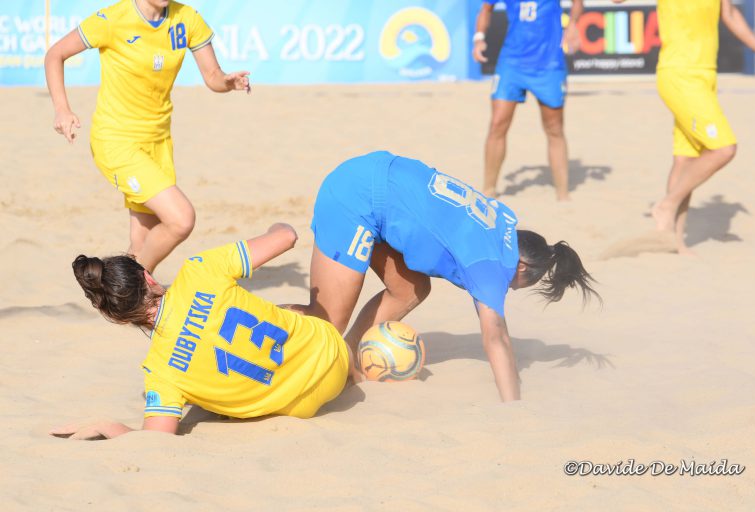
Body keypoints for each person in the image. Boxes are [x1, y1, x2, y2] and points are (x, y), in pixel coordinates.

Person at [290, 151, 599, 402]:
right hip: (357, 196)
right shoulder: (491, 265)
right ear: (520, 267)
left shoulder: (502, 222)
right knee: (324, 324)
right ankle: (265, 330)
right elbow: (497, 338)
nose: (511, 290)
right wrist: (513, 405)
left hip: (379, 178)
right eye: (519, 285)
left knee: (410, 289)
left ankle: (348, 359)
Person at [51, 224, 356, 440]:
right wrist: (274, 227)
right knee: (279, 310)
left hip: (302, 405)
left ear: (118, 319)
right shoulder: (199, 270)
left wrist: (108, 426)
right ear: (149, 279)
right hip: (331, 353)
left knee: (205, 386)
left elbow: (155, 440)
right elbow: (287, 237)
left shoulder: (160, 371)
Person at [44, 0, 251, 273]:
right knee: (181, 219)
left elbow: (213, 75)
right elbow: (55, 54)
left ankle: (124, 291)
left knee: (142, 243)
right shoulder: (112, 19)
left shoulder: (187, 18)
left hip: (159, 141)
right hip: (117, 140)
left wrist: (227, 82)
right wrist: (62, 109)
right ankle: (134, 286)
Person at [613, 0, 755, 253]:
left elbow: (729, 13)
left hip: (706, 74)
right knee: (724, 148)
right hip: (678, 74)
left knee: (685, 159)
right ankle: (666, 205)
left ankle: (672, 240)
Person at [472, 0, 583, 200]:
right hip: (512, 63)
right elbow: (486, 9)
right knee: (497, 124)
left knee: (554, 128)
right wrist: (479, 38)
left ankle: (563, 195)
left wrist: (573, 24)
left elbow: (577, 2)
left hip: (549, 64)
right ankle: (488, 190)